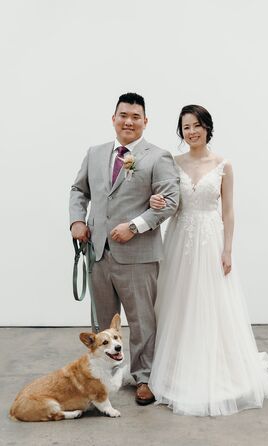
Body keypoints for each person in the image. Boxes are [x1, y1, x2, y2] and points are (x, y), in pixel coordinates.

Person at [148, 104, 268, 416]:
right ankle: (174, 366)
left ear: (207, 127)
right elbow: (166, 199)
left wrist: (227, 250)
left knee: (212, 302)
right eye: (186, 127)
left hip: (210, 240)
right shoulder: (172, 162)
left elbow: (228, 211)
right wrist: (155, 200)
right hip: (180, 238)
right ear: (181, 132)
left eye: (197, 125)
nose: (192, 131)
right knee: (178, 301)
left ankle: (217, 368)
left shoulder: (224, 164)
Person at [69, 93, 180, 405]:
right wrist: (77, 220)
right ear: (114, 118)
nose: (128, 121)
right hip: (98, 253)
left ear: (145, 121)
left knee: (142, 321)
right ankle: (102, 377)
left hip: (139, 256)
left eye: (135, 116)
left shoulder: (158, 157)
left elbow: (170, 201)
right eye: (123, 115)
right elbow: (79, 189)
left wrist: (134, 227)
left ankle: (144, 378)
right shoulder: (95, 153)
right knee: (102, 323)